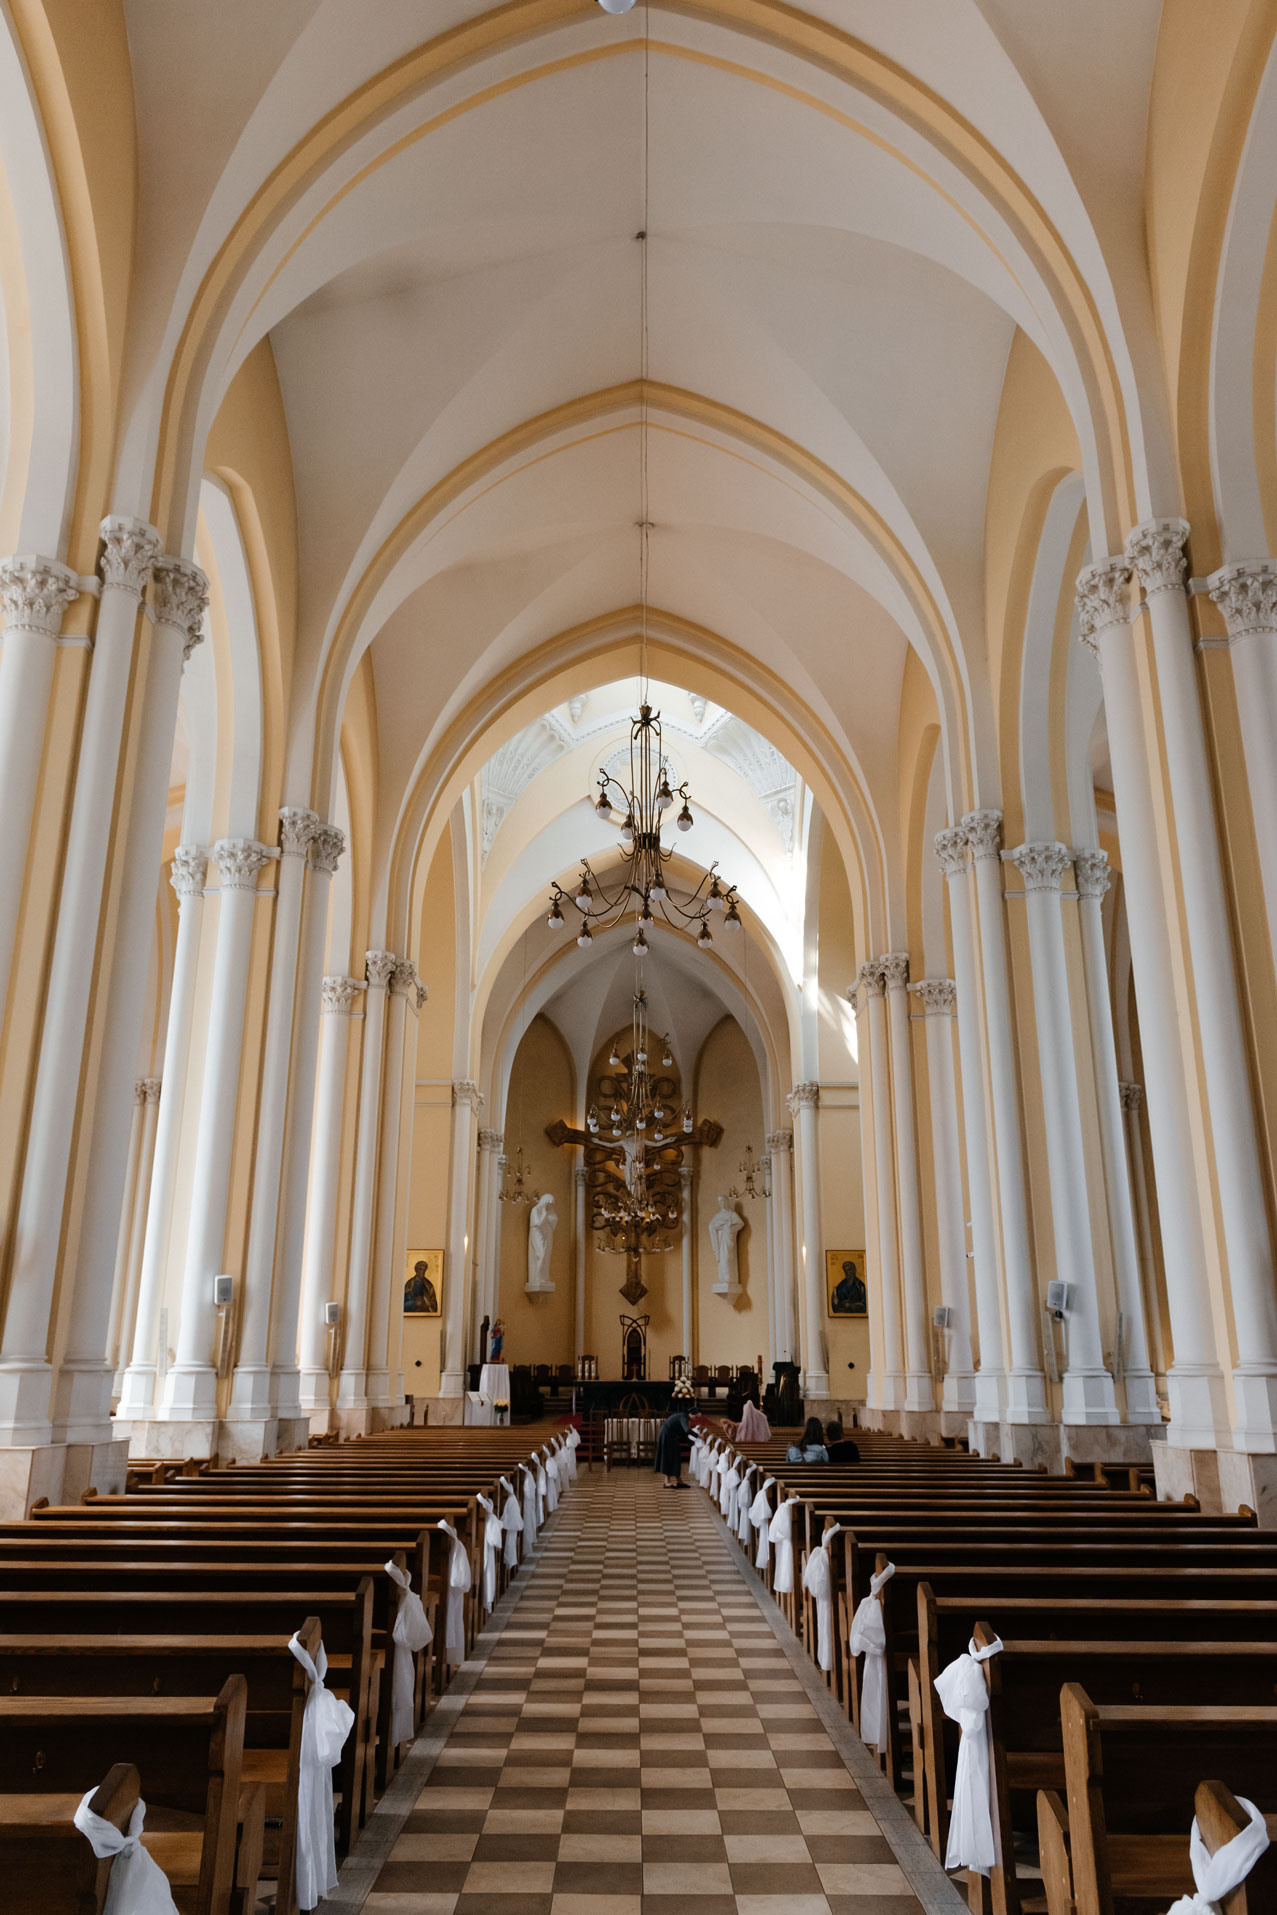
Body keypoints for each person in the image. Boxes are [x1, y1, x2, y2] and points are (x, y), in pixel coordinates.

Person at [653, 1403, 692, 1487]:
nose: (694, 1420)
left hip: (672, 1436)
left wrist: (690, 1441)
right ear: (691, 1414)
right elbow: (687, 1430)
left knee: (676, 1457)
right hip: (667, 1436)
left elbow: (682, 1432)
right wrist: (698, 1436)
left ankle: (679, 1481)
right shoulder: (683, 1417)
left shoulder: (683, 1416)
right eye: (695, 1417)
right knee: (668, 1457)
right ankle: (667, 1482)